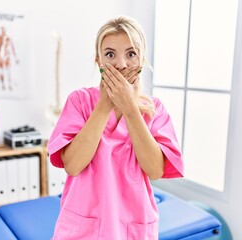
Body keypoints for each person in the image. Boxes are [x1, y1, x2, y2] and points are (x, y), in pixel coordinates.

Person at [47, 16, 184, 240]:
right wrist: (104, 106)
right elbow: (72, 165)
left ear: (142, 59)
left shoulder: (155, 110)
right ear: (98, 61)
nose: (121, 64)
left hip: (133, 226)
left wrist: (131, 109)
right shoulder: (80, 101)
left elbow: (155, 170)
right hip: (84, 226)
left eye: (131, 54)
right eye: (110, 54)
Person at [0, 26, 19, 91]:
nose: (3, 31)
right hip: (0, 56)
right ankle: (3, 85)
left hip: (6, 56)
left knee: (8, 71)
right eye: (2, 30)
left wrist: (15, 58)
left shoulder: (8, 38)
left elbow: (13, 48)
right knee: (1, 71)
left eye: (4, 30)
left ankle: (10, 84)